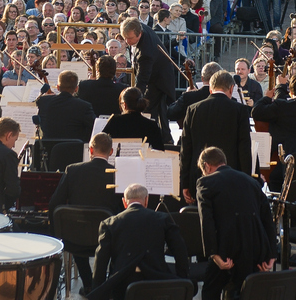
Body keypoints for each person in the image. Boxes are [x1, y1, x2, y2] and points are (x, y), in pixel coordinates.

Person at [196, 145, 277, 300]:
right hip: (255, 248)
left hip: (226, 249)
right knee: (250, 292)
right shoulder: (251, 181)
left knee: (210, 291)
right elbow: (267, 218)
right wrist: (271, 253)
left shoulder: (205, 182)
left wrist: (214, 254)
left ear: (206, 166)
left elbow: (206, 221)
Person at [49, 134, 125, 294]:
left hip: (75, 239)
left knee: (76, 230)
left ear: (90, 149)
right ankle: (104, 284)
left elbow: (54, 203)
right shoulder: (117, 174)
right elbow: (123, 210)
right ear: (111, 152)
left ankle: (89, 284)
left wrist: (55, 232)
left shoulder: (73, 170)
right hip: (107, 239)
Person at [89, 183, 191, 300]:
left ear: (124, 202)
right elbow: (180, 249)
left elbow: (101, 260)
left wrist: (98, 290)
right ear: (146, 200)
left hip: (122, 284)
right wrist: (183, 280)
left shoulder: (109, 223)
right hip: (156, 282)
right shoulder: (162, 219)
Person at [179, 71, 254, 198]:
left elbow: (186, 149)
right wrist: (246, 179)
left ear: (210, 89)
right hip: (231, 177)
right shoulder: (240, 110)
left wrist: (185, 183)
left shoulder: (193, 110)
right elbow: (244, 148)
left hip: (199, 177)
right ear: (231, 89)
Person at [120, 19, 177, 121]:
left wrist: (133, 101)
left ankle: (156, 134)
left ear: (139, 34)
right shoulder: (137, 25)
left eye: (130, 38)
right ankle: (164, 135)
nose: (127, 41)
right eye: (125, 38)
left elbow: (143, 78)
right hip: (159, 75)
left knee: (148, 110)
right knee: (160, 113)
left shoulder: (145, 52)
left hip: (158, 79)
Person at [35, 70, 96, 143]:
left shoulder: (44, 101)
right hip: (74, 150)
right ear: (76, 89)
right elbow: (94, 128)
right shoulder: (84, 106)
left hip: (48, 150)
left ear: (58, 87)